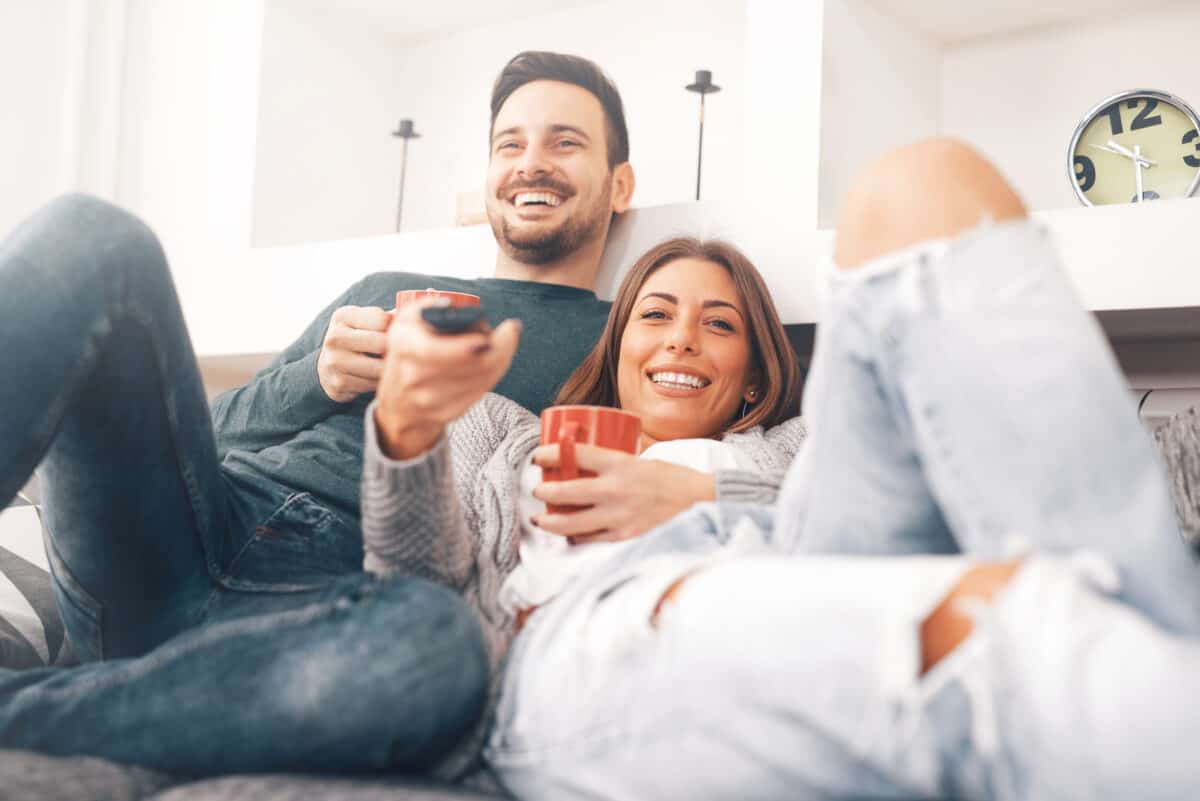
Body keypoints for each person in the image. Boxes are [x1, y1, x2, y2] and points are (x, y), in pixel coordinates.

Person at [365, 140, 1200, 801]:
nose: (683, 339)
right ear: (617, 349)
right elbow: (412, 595)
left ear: (754, 375)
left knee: (925, 183)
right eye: (655, 315)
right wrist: (403, 427)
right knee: (1005, 637)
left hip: (793, 544)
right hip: (574, 634)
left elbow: (955, 484)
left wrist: (700, 491)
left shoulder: (799, 446)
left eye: (717, 324)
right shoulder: (507, 433)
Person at [0, 50, 728, 777]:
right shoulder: (387, 286)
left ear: (620, 184)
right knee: (94, 236)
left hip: (334, 607)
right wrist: (316, 379)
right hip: (178, 534)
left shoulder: (636, 342)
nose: (530, 163)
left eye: (564, 142)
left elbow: (753, 465)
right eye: (510, 145)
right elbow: (207, 430)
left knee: (441, 645)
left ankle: (52, 707)